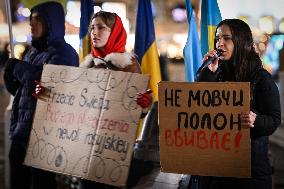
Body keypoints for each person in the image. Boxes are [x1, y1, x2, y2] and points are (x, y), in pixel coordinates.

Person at [195, 19, 281, 189]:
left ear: (241, 41)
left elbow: (274, 120)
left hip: (250, 175)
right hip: (215, 172)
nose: (220, 43)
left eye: (226, 38)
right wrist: (207, 74)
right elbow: (199, 107)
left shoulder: (261, 78)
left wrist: (256, 121)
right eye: (218, 38)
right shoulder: (215, 73)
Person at [3, 2, 79, 189]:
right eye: (31, 19)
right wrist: (10, 76)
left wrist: (18, 67)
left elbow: (48, 89)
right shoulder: (33, 53)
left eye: (38, 19)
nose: (32, 23)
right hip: (21, 133)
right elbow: (24, 92)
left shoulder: (65, 53)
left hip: (43, 138)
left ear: (51, 23)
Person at [76, 11, 151, 189]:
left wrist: (143, 104)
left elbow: (136, 113)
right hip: (86, 149)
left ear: (115, 31)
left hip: (114, 151)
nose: (94, 32)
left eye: (101, 27)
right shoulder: (88, 66)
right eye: (92, 28)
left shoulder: (129, 66)